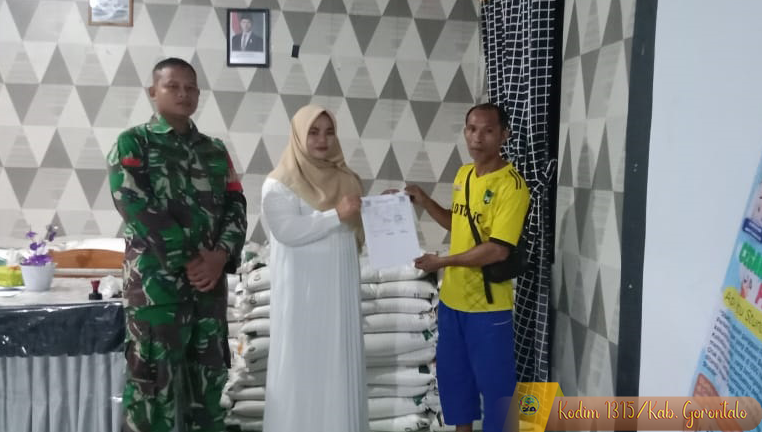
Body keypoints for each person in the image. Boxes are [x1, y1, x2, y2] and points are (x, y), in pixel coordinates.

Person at [107, 57, 247, 432]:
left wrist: (220, 256)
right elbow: (134, 204)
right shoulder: (133, 143)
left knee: (208, 389)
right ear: (153, 92)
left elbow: (236, 204)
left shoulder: (214, 151)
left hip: (208, 292)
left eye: (190, 88)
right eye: (173, 86)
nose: (183, 94)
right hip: (157, 292)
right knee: (153, 393)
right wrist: (190, 259)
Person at [405, 103, 530, 432]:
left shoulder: (512, 186)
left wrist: (441, 262)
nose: (478, 137)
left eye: (488, 131)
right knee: (455, 381)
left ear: (504, 135)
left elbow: (498, 249)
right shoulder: (464, 175)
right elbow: (457, 222)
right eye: (472, 129)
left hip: (487, 308)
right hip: (452, 301)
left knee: (497, 390)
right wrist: (424, 200)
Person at [260, 104, 368, 432]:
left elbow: (360, 225)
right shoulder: (279, 183)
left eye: (329, 132)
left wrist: (385, 207)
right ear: (298, 135)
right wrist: (336, 214)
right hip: (301, 295)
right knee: (301, 364)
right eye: (313, 132)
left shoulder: (347, 179)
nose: (323, 139)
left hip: (339, 290)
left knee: (338, 362)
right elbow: (287, 231)